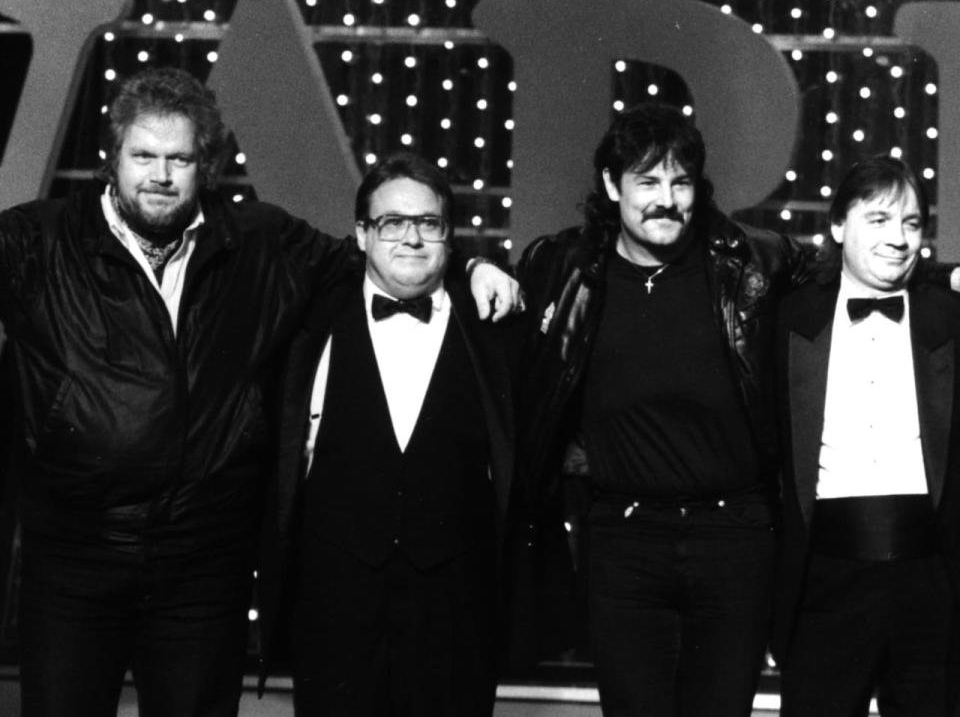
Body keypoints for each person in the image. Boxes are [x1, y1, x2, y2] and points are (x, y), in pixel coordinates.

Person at [0, 68, 518, 717]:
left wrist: (471, 263)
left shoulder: (261, 241)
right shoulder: (34, 241)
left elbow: (381, 256)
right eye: (144, 156)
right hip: (75, 554)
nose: (160, 174)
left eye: (180, 158)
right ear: (112, 160)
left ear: (206, 166)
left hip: (202, 560)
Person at [515, 101, 818, 717]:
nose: (666, 199)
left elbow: (857, 269)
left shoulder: (752, 262)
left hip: (734, 535)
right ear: (610, 186)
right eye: (647, 182)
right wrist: (473, 267)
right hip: (623, 540)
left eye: (679, 182)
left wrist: (940, 277)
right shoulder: (566, 267)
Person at [257, 152, 518, 717]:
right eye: (392, 223)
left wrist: (476, 267)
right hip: (333, 606)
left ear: (449, 237)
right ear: (361, 234)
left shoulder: (494, 329)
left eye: (428, 223)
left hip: (455, 613)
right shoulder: (310, 316)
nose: (411, 239)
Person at [773, 156, 960, 716]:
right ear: (837, 225)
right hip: (825, 577)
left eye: (910, 223)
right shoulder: (788, 319)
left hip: (930, 578)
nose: (898, 239)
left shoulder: (949, 318)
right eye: (878, 220)